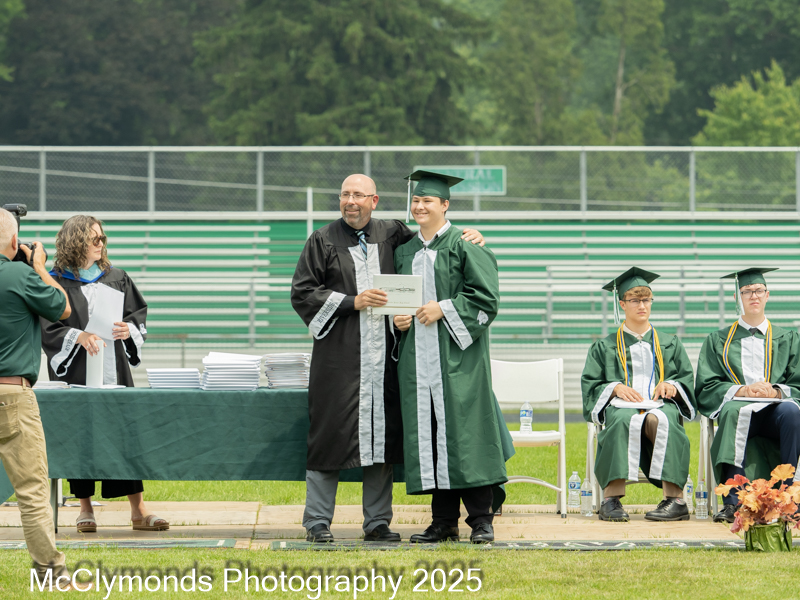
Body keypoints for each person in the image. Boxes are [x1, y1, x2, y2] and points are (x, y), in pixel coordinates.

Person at [291, 173, 485, 543]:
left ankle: (377, 522)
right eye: (345, 194)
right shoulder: (322, 239)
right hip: (339, 359)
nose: (350, 201)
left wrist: (468, 235)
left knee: (381, 437)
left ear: (374, 200)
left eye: (358, 195)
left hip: (386, 358)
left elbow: (433, 240)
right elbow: (302, 292)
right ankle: (317, 521)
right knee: (328, 436)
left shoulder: (392, 233)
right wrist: (353, 301)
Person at [393, 170, 514, 544]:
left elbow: (487, 299)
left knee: (467, 435)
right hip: (418, 363)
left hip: (459, 361)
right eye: (416, 200)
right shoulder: (404, 251)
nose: (420, 206)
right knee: (433, 435)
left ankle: (481, 521)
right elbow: (399, 300)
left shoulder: (466, 245)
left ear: (445, 205)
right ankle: (443, 522)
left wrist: (443, 308)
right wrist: (400, 319)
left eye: (427, 200)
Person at [40, 215, 169, 533]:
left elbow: (138, 316)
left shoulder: (117, 277)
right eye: (94, 239)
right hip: (78, 371)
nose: (101, 243)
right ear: (76, 242)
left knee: (124, 434)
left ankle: (138, 509)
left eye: (102, 238)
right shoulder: (56, 281)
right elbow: (48, 326)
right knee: (81, 435)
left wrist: (129, 330)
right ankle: (85, 508)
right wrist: (78, 336)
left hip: (115, 371)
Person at [0, 208, 91, 590]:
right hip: (11, 393)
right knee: (32, 489)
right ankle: (50, 572)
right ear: (13, 240)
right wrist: (37, 265)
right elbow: (63, 307)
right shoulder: (18, 275)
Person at [581, 268, 697, 522]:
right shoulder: (604, 346)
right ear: (622, 304)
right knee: (622, 420)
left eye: (646, 299)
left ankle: (676, 500)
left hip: (660, 405)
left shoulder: (670, 343)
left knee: (662, 420)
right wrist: (614, 388)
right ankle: (611, 500)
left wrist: (672, 386)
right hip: (621, 407)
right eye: (634, 300)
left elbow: (686, 378)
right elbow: (591, 383)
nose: (642, 305)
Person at [695, 268, 800, 523]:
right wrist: (742, 390)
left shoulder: (788, 339)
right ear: (737, 297)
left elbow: (797, 381)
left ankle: (789, 499)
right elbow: (706, 386)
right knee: (733, 412)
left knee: (792, 411)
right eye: (747, 291)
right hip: (740, 412)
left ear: (767, 295)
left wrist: (776, 391)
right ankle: (732, 503)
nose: (754, 295)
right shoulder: (718, 340)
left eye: (759, 291)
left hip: (776, 412)